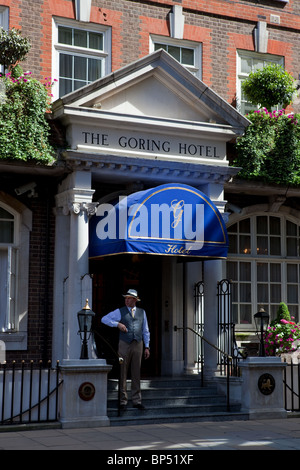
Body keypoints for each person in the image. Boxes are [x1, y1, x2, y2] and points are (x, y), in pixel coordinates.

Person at [101, 288, 150, 410]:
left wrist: (147, 346)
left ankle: (136, 401)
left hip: (138, 343)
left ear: (135, 300)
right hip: (124, 343)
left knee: (136, 372)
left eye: (129, 298)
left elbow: (146, 330)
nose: (126, 300)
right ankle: (123, 401)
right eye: (126, 298)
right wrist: (117, 324)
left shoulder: (142, 312)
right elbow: (104, 319)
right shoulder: (119, 311)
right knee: (122, 371)